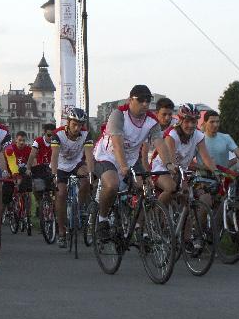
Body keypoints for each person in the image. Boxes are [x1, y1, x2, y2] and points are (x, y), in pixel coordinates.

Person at [93, 85, 176, 239]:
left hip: (131, 159)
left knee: (146, 189)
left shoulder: (151, 121)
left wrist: (169, 164)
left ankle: (139, 227)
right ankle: (102, 219)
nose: (145, 104)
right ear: (131, 100)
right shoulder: (118, 115)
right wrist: (123, 166)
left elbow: (159, 143)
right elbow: (117, 144)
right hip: (108, 156)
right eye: (141, 100)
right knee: (112, 185)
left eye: (148, 101)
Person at [152, 104, 216, 207]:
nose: (190, 125)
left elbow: (206, 157)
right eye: (187, 121)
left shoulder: (199, 135)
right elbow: (172, 161)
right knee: (171, 188)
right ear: (180, 121)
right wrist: (180, 179)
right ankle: (157, 213)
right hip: (163, 167)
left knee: (188, 199)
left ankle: (186, 221)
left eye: (194, 122)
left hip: (182, 170)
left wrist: (216, 171)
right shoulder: (172, 135)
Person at [50, 108, 94, 248]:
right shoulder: (58, 134)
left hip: (76, 163)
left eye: (80, 125)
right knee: (61, 193)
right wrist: (54, 175)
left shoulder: (86, 135)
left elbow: (89, 156)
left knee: (86, 180)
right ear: (68, 122)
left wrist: (91, 173)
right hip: (61, 165)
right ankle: (62, 232)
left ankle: (79, 208)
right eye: (74, 124)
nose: (77, 128)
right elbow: (55, 156)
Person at [197, 110, 239, 209]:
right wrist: (203, 167)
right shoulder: (199, 138)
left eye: (217, 121)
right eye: (212, 122)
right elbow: (189, 162)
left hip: (222, 178)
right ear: (204, 123)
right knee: (205, 207)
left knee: (223, 209)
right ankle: (197, 224)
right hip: (204, 178)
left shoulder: (226, 138)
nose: (216, 124)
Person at [27, 122, 56, 220]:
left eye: (53, 135)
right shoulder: (38, 141)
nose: (51, 137)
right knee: (37, 188)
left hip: (53, 168)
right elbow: (32, 155)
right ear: (44, 133)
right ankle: (40, 204)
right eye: (49, 135)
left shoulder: (56, 141)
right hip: (41, 168)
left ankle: (55, 210)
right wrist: (28, 168)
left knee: (56, 189)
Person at [3, 131, 32, 222]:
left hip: (23, 174)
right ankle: (5, 211)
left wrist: (30, 169)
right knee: (6, 195)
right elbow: (4, 160)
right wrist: (5, 172)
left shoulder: (28, 149)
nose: (22, 142)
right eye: (20, 140)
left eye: (23, 140)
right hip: (11, 175)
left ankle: (28, 214)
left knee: (28, 193)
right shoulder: (11, 148)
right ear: (16, 140)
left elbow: (32, 161)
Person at [141, 97, 175, 171]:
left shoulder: (175, 125)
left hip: (171, 162)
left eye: (170, 114)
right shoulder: (148, 126)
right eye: (164, 114)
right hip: (150, 162)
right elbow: (144, 156)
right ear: (156, 113)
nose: (167, 118)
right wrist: (148, 174)